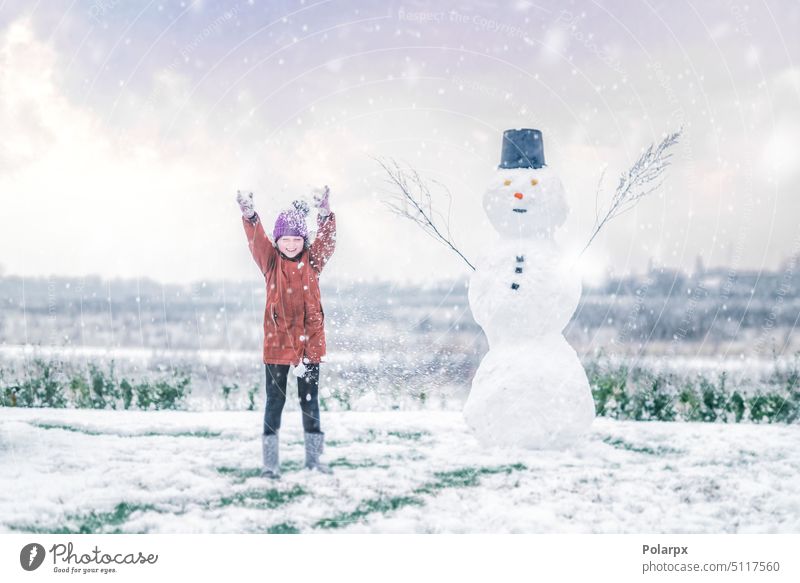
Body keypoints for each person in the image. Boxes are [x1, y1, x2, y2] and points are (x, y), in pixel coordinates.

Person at [236, 186, 337, 479]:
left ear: (303, 241)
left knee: (310, 402)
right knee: (274, 402)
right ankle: (270, 465)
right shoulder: (270, 262)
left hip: (310, 346)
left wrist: (325, 213)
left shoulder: (312, 261)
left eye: (296, 239)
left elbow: (327, 241)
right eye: (285, 240)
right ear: (277, 241)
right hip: (277, 344)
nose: (291, 245)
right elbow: (257, 241)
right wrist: (250, 215)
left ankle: (314, 461)